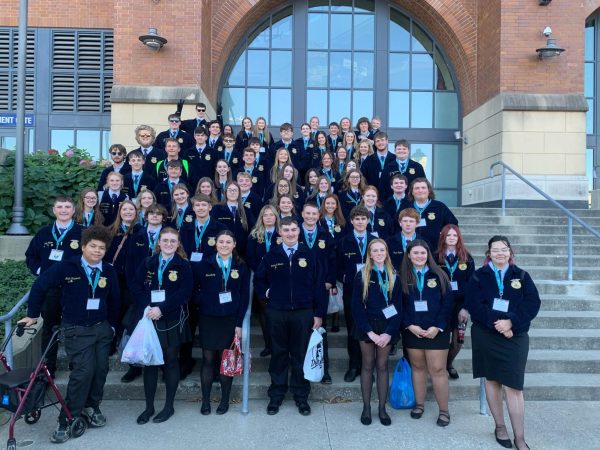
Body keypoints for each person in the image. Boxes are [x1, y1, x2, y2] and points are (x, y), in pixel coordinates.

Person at [20, 226, 119, 443]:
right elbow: (39, 286)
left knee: (100, 370)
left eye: (101, 248)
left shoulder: (109, 271)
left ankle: (92, 407)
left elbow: (115, 301)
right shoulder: (66, 267)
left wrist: (111, 326)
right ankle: (67, 418)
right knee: (83, 372)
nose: (97, 251)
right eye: (93, 246)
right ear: (83, 247)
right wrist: (33, 314)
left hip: (101, 329)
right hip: (76, 329)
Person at [465, 236, 540, 450]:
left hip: (515, 337)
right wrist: (499, 324)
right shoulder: (479, 276)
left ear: (510, 252)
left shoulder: (522, 276)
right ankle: (499, 426)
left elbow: (532, 303)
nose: (500, 253)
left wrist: (511, 324)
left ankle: (520, 437)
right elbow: (474, 304)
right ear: (488, 253)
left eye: (504, 249)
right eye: (495, 249)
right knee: (492, 381)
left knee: (514, 386)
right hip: (486, 334)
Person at [253, 217, 327, 416]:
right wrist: (267, 293)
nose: (290, 233)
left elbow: (319, 286)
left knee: (300, 355)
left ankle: (301, 396)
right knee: (278, 354)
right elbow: (259, 280)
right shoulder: (271, 256)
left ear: (299, 231)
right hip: (277, 312)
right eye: (286, 230)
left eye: (294, 230)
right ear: (280, 232)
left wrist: (319, 314)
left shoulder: (309, 255)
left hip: (304, 314)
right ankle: (276, 395)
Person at [131, 227, 193, 424]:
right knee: (149, 363)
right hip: (149, 317)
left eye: (172, 241)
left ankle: (168, 406)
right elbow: (136, 286)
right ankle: (149, 407)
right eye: (165, 240)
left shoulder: (183, 265)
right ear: (159, 243)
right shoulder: (148, 262)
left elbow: (185, 292)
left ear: (178, 244)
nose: (168, 244)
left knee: (171, 361)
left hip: (171, 318)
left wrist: (162, 309)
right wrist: (146, 306)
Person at [24, 196, 83, 378]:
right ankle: (48, 368)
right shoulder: (44, 233)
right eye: (60, 207)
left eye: (67, 207)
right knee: (50, 327)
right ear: (54, 210)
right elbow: (31, 256)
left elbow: (91, 257)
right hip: (50, 290)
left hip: (74, 288)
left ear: (74, 211)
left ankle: (78, 365)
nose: (64, 210)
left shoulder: (82, 232)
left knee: (76, 326)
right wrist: (40, 270)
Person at [193, 230, 250, 415]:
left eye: (228, 242)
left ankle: (225, 400)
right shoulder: (204, 264)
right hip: (208, 318)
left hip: (230, 320)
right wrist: (205, 300)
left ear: (234, 245)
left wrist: (239, 323)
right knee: (208, 360)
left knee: (227, 360)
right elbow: (193, 290)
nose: (224, 245)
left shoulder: (241, 267)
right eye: (221, 242)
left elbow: (244, 297)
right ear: (215, 244)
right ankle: (205, 401)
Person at [400, 239, 453, 427]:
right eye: (415, 253)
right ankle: (419, 405)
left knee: (438, 370)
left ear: (428, 254)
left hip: (436, 331)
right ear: (408, 255)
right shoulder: (401, 276)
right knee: (418, 368)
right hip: (412, 331)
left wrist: (437, 327)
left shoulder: (440, 274)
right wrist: (408, 325)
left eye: (423, 253)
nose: (419, 256)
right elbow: (399, 305)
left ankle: (444, 411)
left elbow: (448, 303)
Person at [352, 239, 402, 426]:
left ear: (387, 252)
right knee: (367, 365)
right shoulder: (362, 275)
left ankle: (382, 408)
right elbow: (356, 307)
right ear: (370, 254)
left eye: (382, 249)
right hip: (367, 327)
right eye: (375, 250)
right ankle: (366, 407)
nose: (379, 253)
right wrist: (369, 332)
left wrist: (389, 333)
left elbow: (398, 307)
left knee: (382, 366)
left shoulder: (394, 275)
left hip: (387, 328)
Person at [336, 206, 375, 382]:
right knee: (353, 330)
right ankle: (354, 366)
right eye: (357, 219)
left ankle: (368, 368)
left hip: (374, 292)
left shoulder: (375, 241)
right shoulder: (343, 241)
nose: (360, 222)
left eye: (363, 219)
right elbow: (336, 265)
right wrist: (344, 277)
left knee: (371, 330)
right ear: (351, 221)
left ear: (368, 221)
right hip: (352, 292)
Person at [436, 224, 475, 379]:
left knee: (458, 341)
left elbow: (473, 286)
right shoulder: (435, 256)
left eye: (454, 235)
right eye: (448, 235)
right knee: (442, 339)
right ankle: (439, 367)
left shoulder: (467, 258)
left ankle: (448, 363)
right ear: (443, 238)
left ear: (458, 238)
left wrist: (466, 308)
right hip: (442, 305)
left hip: (460, 306)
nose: (451, 238)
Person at [246, 204, 280, 357]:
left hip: (278, 276)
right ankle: (268, 345)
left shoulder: (282, 234)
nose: (268, 217)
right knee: (264, 314)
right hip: (260, 277)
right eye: (265, 215)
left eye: (271, 215)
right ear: (261, 217)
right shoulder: (254, 234)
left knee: (277, 313)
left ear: (275, 217)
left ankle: (278, 345)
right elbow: (250, 256)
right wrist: (261, 270)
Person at [409, 177, 458, 250]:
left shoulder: (440, 207)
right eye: (417, 188)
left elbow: (453, 225)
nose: (420, 190)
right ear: (412, 192)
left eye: (423, 188)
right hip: (411, 249)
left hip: (435, 249)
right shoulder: (406, 207)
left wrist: (442, 235)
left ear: (429, 191)